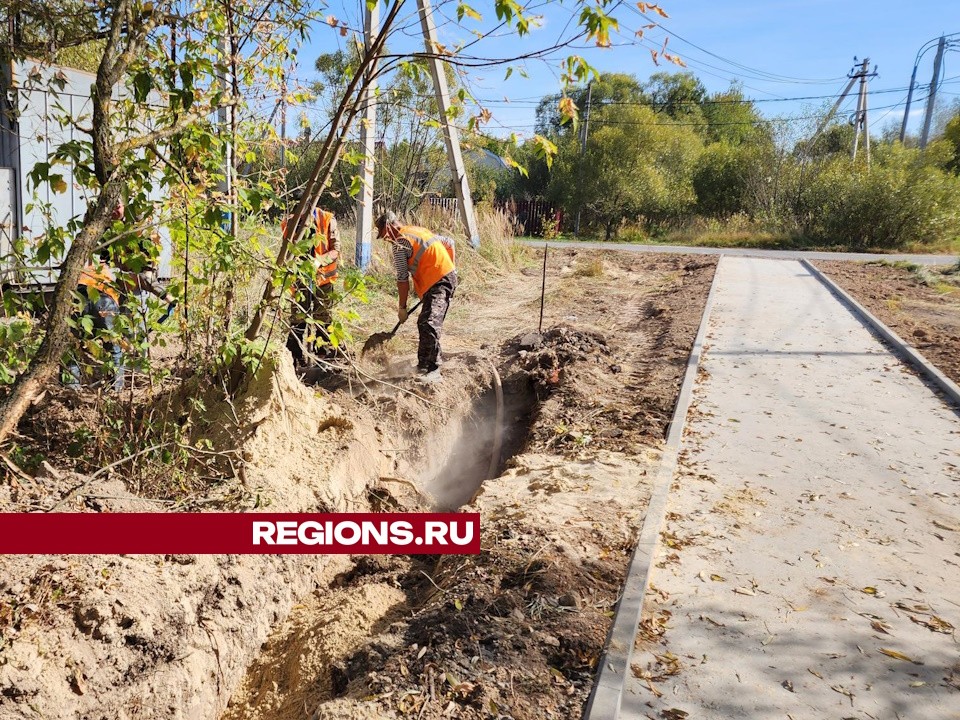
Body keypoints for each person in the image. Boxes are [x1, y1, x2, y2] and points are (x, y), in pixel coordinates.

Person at [375, 211, 456, 378]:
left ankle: (434, 369)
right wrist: (451, 268)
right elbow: (450, 243)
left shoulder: (400, 244)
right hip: (441, 280)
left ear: (389, 226)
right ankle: (423, 364)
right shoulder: (418, 231)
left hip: (439, 282)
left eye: (383, 235)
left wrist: (402, 308)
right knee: (424, 322)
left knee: (429, 323)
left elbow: (402, 279)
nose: (385, 240)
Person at [281, 204, 341, 366]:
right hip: (299, 279)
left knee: (323, 318)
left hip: (323, 279)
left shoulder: (327, 219)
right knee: (299, 318)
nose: (297, 214)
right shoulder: (289, 222)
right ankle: (295, 356)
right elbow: (285, 251)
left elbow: (336, 250)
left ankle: (325, 356)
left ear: (309, 205)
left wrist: (319, 261)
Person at [65, 260, 125, 391]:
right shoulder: (108, 270)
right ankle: (117, 387)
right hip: (105, 301)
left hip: (79, 300)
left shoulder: (80, 268)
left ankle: (72, 386)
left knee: (74, 344)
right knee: (113, 346)